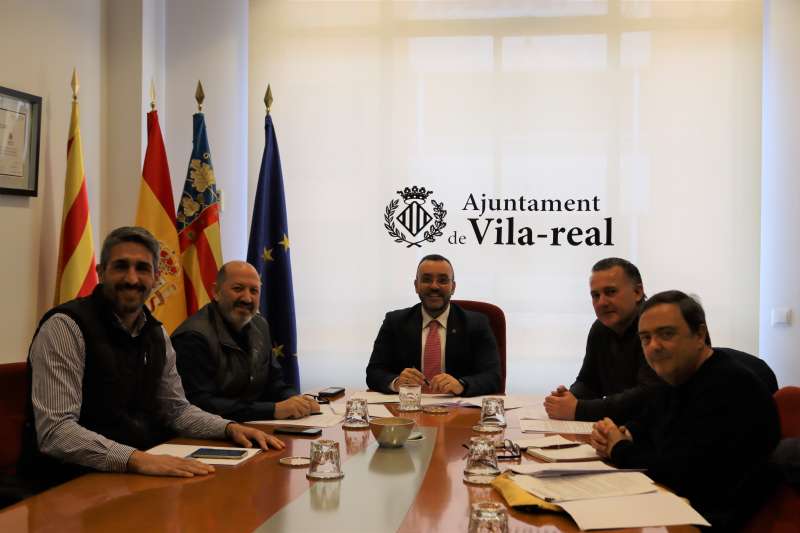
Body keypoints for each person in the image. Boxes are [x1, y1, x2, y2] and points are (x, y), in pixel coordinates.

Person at [25, 227, 284, 487]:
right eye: (121, 267)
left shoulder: (155, 332)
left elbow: (177, 410)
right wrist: (136, 459)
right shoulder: (66, 327)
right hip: (69, 482)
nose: (132, 278)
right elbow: (56, 431)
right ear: (101, 273)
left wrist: (229, 428)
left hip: (137, 474)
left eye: (142, 268)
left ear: (156, 278)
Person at [590, 290, 780, 529]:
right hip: (673, 504)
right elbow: (650, 421)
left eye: (666, 334)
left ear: (700, 335)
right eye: (645, 338)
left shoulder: (731, 386)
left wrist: (618, 448)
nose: (653, 346)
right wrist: (624, 433)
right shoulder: (676, 377)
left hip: (706, 519)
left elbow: (677, 471)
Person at [172, 261, 318, 421]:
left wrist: (296, 400)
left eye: (254, 291)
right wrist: (272, 410)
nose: (247, 298)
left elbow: (274, 383)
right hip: (209, 431)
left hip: (252, 426)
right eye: (238, 289)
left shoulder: (260, 325)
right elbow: (200, 404)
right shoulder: (192, 337)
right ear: (216, 292)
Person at [544, 258, 661, 422]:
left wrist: (578, 409)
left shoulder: (656, 328)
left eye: (611, 292)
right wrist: (568, 398)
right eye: (595, 295)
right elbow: (588, 383)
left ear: (637, 292)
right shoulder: (600, 328)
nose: (602, 302)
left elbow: (648, 398)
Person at [366, 254, 501, 396]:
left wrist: (461, 385)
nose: (434, 286)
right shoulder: (395, 322)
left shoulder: (476, 324)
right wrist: (396, 382)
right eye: (426, 279)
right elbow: (374, 372)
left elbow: (493, 376)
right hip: (409, 405)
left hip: (457, 406)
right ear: (416, 286)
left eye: (442, 280)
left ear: (453, 287)